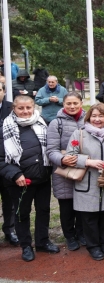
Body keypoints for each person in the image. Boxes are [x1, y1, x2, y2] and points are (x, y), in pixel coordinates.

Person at [0, 95, 59, 261]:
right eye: (21, 108)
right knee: (22, 214)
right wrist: (16, 174)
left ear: (33, 107)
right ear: (14, 109)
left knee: (43, 211)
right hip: (20, 181)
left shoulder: (42, 123)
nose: (25, 111)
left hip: (42, 178)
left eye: (28, 108)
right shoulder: (5, 128)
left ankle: (42, 241)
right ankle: (26, 246)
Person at [65, 103, 104, 261]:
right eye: (94, 116)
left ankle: (103, 242)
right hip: (87, 183)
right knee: (89, 218)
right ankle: (93, 246)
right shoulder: (79, 134)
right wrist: (88, 162)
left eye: (101, 116)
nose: (97, 119)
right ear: (89, 117)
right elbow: (70, 155)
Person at [46, 92, 86, 252]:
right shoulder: (56, 123)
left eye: (75, 103)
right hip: (65, 170)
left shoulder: (88, 120)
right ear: (63, 105)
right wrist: (61, 159)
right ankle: (69, 236)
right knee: (67, 206)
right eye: (68, 103)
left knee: (83, 205)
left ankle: (81, 232)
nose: (72, 106)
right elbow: (51, 150)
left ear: (81, 103)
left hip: (84, 168)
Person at [0, 82, 18, 246]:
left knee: (10, 201)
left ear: (4, 92)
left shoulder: (11, 109)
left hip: (7, 164)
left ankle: (9, 230)